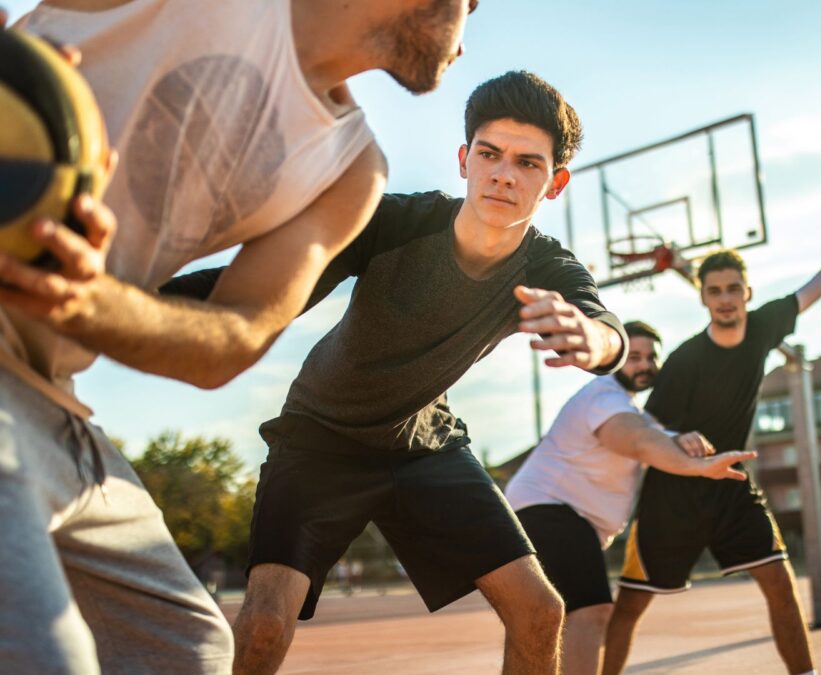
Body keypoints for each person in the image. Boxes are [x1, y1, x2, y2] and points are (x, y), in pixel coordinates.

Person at [0, 1, 477, 672]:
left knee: (184, 648)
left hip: (49, 391)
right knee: (45, 655)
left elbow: (236, 334)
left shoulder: (350, 169)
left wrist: (91, 302)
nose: (470, 27)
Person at [164, 70, 627, 675]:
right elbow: (267, 290)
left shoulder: (547, 268)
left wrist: (592, 340)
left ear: (555, 182)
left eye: (527, 163)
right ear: (464, 160)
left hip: (422, 443)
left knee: (540, 610)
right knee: (265, 625)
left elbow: (606, 328)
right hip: (320, 437)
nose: (504, 175)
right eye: (489, 154)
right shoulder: (390, 223)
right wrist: (134, 292)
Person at [603, 175, 821, 675]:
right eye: (714, 291)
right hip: (673, 495)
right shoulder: (685, 360)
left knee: (780, 582)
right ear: (703, 298)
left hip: (730, 488)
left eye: (732, 289)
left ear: (746, 293)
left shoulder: (765, 327)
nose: (724, 298)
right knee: (631, 605)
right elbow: (644, 427)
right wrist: (673, 439)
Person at [505, 320, 756, 675]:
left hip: (551, 514)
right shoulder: (603, 397)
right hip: (549, 508)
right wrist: (695, 466)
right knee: (591, 612)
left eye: (651, 357)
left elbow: (647, 430)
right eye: (634, 356)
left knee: (549, 619)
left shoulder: (627, 407)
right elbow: (636, 440)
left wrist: (676, 438)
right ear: (615, 359)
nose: (644, 365)